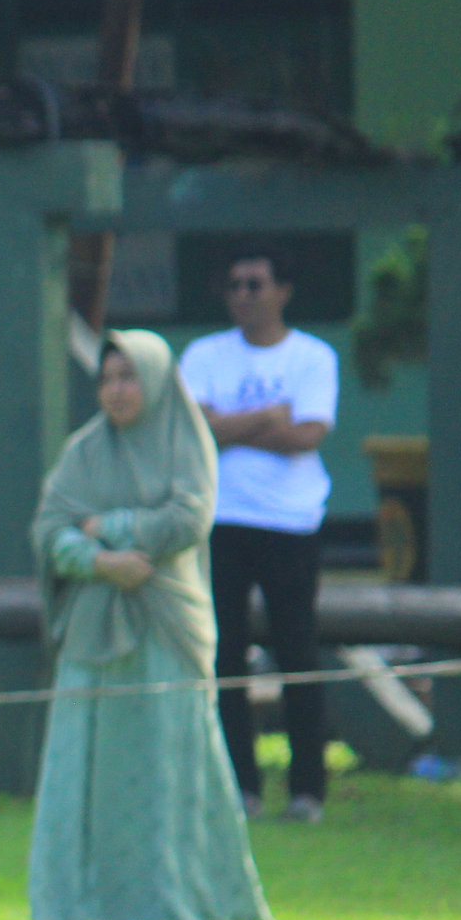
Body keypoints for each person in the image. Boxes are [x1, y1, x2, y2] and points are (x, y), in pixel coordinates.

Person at [28, 331, 272, 920]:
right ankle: (80, 901)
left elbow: (188, 517)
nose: (116, 390)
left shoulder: (187, 442)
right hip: (94, 627)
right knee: (85, 765)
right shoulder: (84, 450)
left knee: (169, 763)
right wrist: (98, 562)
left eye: (129, 376)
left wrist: (105, 526)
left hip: (170, 625)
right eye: (108, 378)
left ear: (159, 380)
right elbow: (50, 529)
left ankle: (175, 894)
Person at [178, 247, 338, 823]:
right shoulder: (204, 354)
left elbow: (308, 435)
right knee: (224, 655)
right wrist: (268, 416)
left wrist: (230, 426)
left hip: (291, 522)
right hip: (221, 520)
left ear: (282, 292)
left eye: (254, 284)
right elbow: (195, 430)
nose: (243, 294)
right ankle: (239, 786)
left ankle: (307, 790)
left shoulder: (313, 357)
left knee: (297, 651)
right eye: (234, 285)